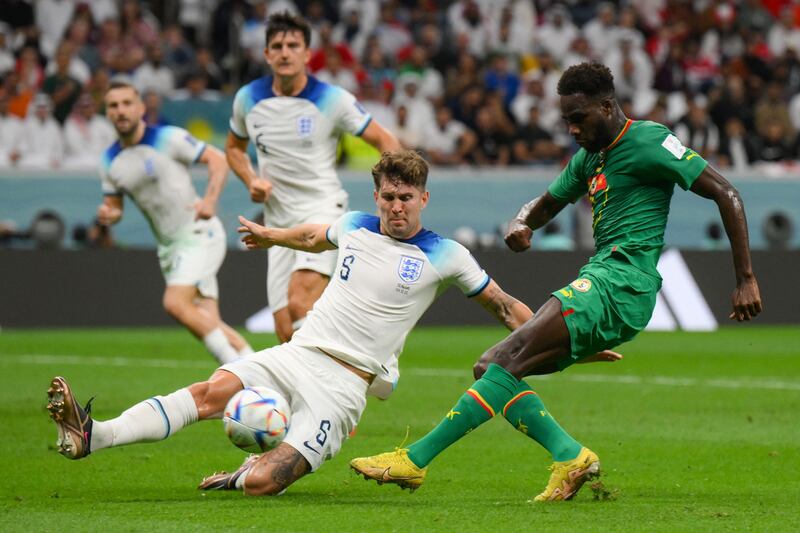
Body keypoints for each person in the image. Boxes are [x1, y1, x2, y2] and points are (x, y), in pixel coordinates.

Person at [46, 151, 619, 497]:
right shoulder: (355, 224)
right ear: (377, 196)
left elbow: (506, 308)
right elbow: (310, 232)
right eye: (388, 197)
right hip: (298, 351)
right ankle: (94, 435)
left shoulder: (447, 254)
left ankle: (243, 473)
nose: (397, 207)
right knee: (209, 393)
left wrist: (566, 342)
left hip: (345, 386)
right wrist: (270, 234)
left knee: (269, 484)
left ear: (424, 197)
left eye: (406, 198)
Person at [350, 62, 763, 502]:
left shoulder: (649, 141)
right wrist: (522, 222)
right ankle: (571, 456)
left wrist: (746, 278)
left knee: (505, 360)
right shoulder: (589, 158)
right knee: (491, 367)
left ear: (607, 106)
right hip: (602, 279)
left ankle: (414, 460)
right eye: (566, 119)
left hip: (623, 281)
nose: (571, 129)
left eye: (578, 118)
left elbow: (727, 193)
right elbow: (546, 203)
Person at [225, 12, 400, 343]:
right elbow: (233, 148)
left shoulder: (332, 99)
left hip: (322, 208)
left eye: (293, 45)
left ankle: (362, 361)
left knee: (301, 301)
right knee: (285, 333)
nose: (285, 52)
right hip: (276, 220)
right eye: (277, 46)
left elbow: (385, 140)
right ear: (266, 54)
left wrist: (393, 192)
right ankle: (351, 354)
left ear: (307, 54)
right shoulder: (248, 98)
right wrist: (251, 180)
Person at [96, 80, 252, 364]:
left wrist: (210, 201)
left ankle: (243, 378)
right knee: (210, 322)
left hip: (198, 232)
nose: (121, 111)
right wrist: (110, 214)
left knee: (175, 303)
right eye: (113, 105)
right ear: (107, 112)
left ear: (141, 108)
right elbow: (115, 206)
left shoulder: (167, 138)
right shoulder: (109, 161)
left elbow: (217, 159)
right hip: (169, 248)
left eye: (127, 103)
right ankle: (261, 375)